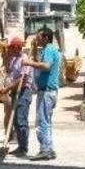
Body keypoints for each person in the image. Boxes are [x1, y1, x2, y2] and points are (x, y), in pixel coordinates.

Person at [23, 28, 62, 161]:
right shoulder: (47, 50)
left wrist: (28, 63)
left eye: (38, 37)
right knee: (47, 121)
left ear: (46, 37)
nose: (36, 39)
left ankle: (45, 149)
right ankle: (49, 148)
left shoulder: (50, 50)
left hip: (46, 91)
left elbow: (45, 66)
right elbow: (38, 62)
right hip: (47, 91)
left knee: (42, 121)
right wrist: (33, 50)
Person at [0, 37, 32, 157]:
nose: (9, 50)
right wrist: (7, 57)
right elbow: (7, 70)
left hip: (23, 91)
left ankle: (24, 147)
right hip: (14, 92)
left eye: (11, 48)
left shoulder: (24, 59)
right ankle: (20, 146)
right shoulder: (14, 59)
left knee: (21, 120)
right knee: (16, 121)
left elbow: (23, 79)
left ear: (17, 48)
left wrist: (7, 88)